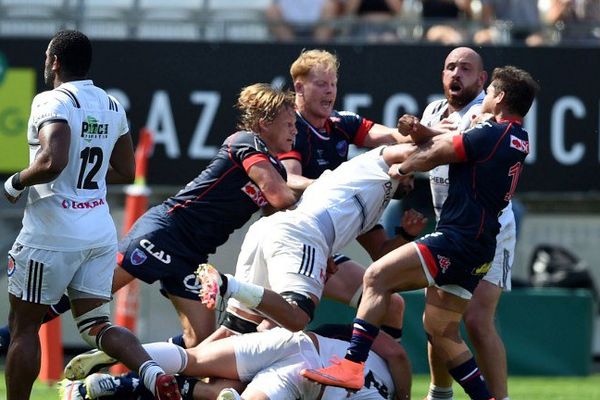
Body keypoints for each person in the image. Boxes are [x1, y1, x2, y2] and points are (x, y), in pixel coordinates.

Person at [0, 82, 300, 355]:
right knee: (88, 293)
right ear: (264, 124)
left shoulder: (277, 170)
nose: (295, 131)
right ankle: (6, 336)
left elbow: (278, 209)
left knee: (200, 342)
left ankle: (114, 363)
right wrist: (326, 187)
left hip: (192, 254)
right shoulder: (247, 142)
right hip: (166, 231)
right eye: (289, 124)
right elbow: (282, 198)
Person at [301, 65, 539, 400]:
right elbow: (449, 140)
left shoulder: (490, 133)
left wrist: (404, 166)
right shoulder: (515, 136)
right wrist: (421, 131)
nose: (483, 99)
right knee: (441, 330)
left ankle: (352, 365)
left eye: (490, 93)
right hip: (480, 245)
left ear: (497, 97)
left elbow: (444, 151)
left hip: (458, 238)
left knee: (376, 278)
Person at [2, 30, 181, 399]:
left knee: (24, 327)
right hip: (97, 231)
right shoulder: (111, 104)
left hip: (51, 234)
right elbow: (125, 170)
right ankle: (151, 373)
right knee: (95, 324)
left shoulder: (52, 101)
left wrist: (16, 182)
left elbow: (52, 159)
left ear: (54, 61)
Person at [420, 47, 515, 400]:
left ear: (482, 79)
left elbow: (443, 148)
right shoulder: (433, 111)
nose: (456, 73)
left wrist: (422, 136)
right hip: (450, 227)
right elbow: (424, 154)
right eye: (449, 67)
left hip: (491, 232)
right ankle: (440, 394)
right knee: (439, 321)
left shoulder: (486, 112)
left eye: (465, 68)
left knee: (476, 320)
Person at [61, 324, 406, 400]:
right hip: (316, 383)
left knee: (190, 358)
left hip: (298, 342)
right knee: (228, 393)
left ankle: (121, 351)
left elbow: (398, 353)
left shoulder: (376, 351)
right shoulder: (381, 389)